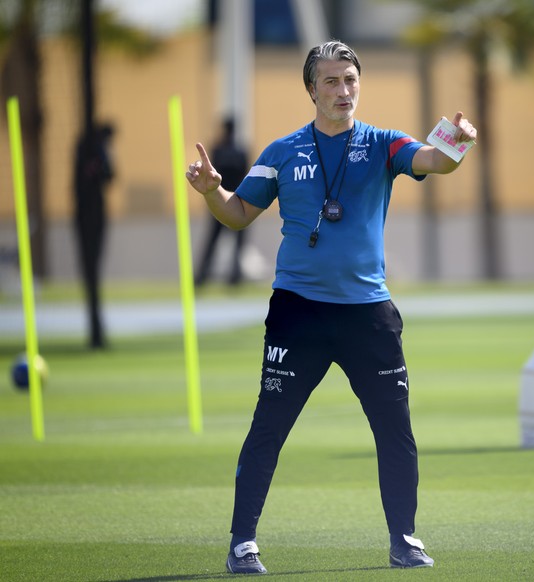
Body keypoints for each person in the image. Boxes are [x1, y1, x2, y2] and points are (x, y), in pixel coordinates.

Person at [186, 40, 477, 574]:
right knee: (268, 427)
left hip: (368, 314)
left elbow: (433, 161)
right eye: (331, 82)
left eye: (350, 80)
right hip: (298, 312)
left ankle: (404, 539)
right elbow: (239, 213)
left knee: (395, 430)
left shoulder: (385, 143)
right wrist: (211, 191)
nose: (344, 91)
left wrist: (455, 145)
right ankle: (242, 544)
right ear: (310, 90)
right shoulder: (281, 152)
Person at [73, 122, 115, 349]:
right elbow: (110, 173)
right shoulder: (90, 148)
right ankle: (95, 332)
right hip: (87, 215)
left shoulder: (96, 150)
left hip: (95, 215)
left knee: (93, 271)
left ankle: (97, 331)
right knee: (90, 271)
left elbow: (110, 174)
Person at [195, 117, 249, 287]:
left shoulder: (218, 150)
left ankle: (201, 277)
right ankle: (235, 276)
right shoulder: (240, 151)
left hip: (220, 201)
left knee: (213, 242)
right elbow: (247, 174)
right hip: (239, 200)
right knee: (238, 244)